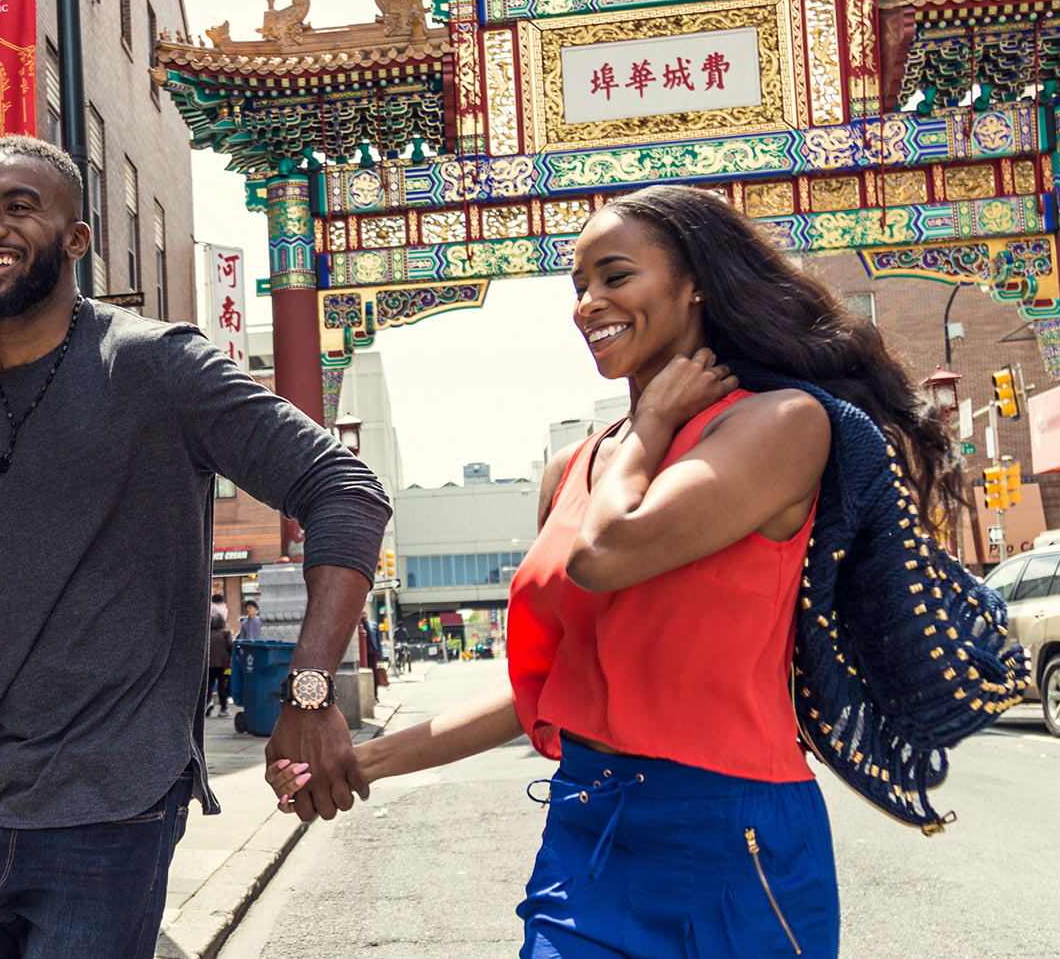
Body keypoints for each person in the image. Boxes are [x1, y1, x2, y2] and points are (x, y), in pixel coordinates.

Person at [269, 185, 981, 959]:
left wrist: (648, 425)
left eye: (615, 276)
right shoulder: (573, 468)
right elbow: (548, 682)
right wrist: (353, 763)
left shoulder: (782, 425)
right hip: (588, 833)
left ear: (696, 282)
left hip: (736, 844)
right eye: (578, 286)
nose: (589, 304)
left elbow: (605, 553)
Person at [0, 137, 390, 959]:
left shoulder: (155, 365)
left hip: (113, 807)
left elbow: (345, 489)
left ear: (77, 239)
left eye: (18, 206)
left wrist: (311, 688)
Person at [205, 612, 235, 717]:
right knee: (222, 686)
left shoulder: (208, 634)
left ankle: (207, 703)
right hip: (223, 664)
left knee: (209, 685)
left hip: (209, 664)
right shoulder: (226, 634)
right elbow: (231, 646)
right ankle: (223, 708)